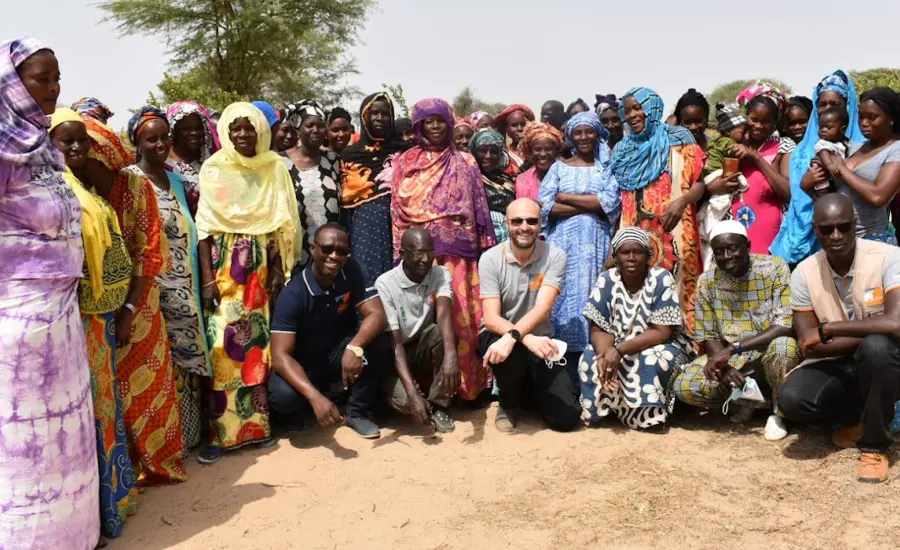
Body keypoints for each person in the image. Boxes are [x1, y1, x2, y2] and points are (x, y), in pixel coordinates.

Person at [0, 38, 99, 549]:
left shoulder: (41, 146)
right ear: (13, 83)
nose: (53, 88)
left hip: (60, 319)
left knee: (65, 444)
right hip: (17, 326)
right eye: (41, 78)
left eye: (57, 78)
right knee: (27, 451)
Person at [80, 112, 188, 485]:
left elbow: (148, 255)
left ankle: (160, 463)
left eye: (85, 152)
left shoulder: (135, 188)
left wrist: (128, 310)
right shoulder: (81, 193)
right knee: (109, 394)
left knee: (148, 388)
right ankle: (123, 473)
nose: (75, 157)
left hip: (138, 304)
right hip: (97, 307)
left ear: (101, 156)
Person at [50, 108, 140, 540]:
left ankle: (114, 505)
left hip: (100, 319)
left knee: (104, 411)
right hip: (76, 321)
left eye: (81, 140)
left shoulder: (81, 188)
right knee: (86, 416)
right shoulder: (54, 195)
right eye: (64, 141)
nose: (75, 148)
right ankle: (94, 517)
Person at [195, 102, 301, 464]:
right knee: (221, 350)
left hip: (257, 270)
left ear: (261, 132)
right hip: (225, 269)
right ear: (226, 130)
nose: (242, 135)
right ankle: (220, 435)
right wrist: (209, 280)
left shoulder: (273, 168)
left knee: (257, 349)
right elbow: (205, 229)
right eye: (236, 128)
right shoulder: (214, 169)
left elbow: (278, 222)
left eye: (249, 128)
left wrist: (274, 267)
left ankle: (257, 430)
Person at [781, 194, 900, 483]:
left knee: (878, 349)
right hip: (841, 361)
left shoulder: (888, 257)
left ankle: (874, 447)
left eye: (844, 227)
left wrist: (831, 329)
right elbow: (809, 342)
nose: (836, 236)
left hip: (889, 359)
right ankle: (859, 420)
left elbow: (896, 324)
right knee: (793, 399)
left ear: (855, 224)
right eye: (827, 229)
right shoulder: (804, 273)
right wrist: (873, 328)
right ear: (815, 229)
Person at [393, 98, 497, 403]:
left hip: (459, 258)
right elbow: (398, 210)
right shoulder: (405, 161)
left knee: (461, 321)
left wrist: (484, 250)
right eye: (429, 121)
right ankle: (427, 393)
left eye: (440, 120)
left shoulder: (466, 161)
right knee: (423, 325)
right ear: (419, 126)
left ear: (449, 123)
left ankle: (467, 390)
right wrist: (401, 254)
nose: (435, 126)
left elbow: (479, 207)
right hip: (419, 257)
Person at [128, 107, 212, 454]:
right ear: (138, 142)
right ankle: (162, 444)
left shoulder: (175, 177)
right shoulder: (130, 180)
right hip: (151, 289)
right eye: (152, 138)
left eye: (165, 137)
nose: (161, 143)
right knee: (158, 364)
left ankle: (191, 434)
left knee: (192, 360)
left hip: (186, 286)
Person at [672, 221, 799, 441]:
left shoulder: (775, 268)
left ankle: (779, 413)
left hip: (766, 352)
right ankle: (751, 400)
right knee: (683, 385)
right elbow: (708, 335)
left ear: (747, 246)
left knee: (783, 348)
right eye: (719, 251)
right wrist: (725, 367)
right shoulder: (708, 281)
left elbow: (785, 325)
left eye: (732, 248)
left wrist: (733, 349)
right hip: (734, 359)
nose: (726, 256)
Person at [269, 224, 392, 438]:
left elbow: (377, 315)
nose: (334, 256)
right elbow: (280, 356)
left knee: (378, 343)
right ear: (313, 249)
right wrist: (314, 397)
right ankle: (310, 404)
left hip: (336, 352)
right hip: (302, 362)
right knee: (283, 398)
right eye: (326, 249)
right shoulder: (293, 293)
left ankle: (357, 412)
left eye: (342, 251)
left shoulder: (352, 270)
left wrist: (354, 348)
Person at [479, 198, 581, 432]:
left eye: (531, 221)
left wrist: (522, 337)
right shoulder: (490, 259)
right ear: (507, 223)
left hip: (540, 340)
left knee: (567, 417)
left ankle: (530, 394)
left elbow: (542, 308)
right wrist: (521, 338)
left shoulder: (555, 256)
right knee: (508, 350)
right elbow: (491, 318)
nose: (524, 227)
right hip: (500, 337)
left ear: (540, 224)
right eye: (517, 221)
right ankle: (509, 403)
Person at [578, 228, 693, 431]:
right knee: (590, 359)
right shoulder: (607, 279)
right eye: (625, 253)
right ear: (615, 256)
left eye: (638, 252)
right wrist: (606, 354)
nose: (631, 258)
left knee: (651, 359)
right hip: (616, 343)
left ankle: (648, 417)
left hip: (659, 344)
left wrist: (620, 350)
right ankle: (606, 411)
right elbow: (597, 327)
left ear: (649, 256)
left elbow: (662, 332)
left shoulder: (660, 278)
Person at [612, 87, 704, 338]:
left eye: (637, 108)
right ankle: (643, 349)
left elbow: (699, 182)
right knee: (639, 289)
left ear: (651, 107)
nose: (631, 115)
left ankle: (689, 349)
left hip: (675, 229)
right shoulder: (622, 149)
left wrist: (682, 201)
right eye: (627, 110)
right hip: (634, 230)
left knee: (683, 287)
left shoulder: (679, 138)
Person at [540, 112, 620, 367]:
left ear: (598, 134)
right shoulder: (559, 167)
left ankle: (594, 361)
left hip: (597, 243)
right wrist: (589, 204)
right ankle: (562, 363)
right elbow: (545, 208)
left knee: (594, 295)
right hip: (562, 244)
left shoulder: (607, 168)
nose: (584, 137)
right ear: (571, 136)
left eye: (589, 131)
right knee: (561, 297)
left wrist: (567, 197)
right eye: (578, 132)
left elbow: (609, 203)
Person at [771, 69, 865, 265]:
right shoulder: (801, 150)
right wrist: (806, 184)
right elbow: (796, 197)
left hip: (854, 231)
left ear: (847, 106)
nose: (826, 109)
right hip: (810, 233)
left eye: (835, 104)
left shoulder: (862, 146)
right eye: (822, 104)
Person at [376, 228, 459, 433]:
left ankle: (440, 406)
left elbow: (444, 314)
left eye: (430, 253)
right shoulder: (386, 284)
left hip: (420, 345)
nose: (425, 259)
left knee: (444, 335)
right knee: (406, 402)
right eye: (418, 253)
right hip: (394, 354)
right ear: (403, 254)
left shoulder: (439, 273)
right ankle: (384, 397)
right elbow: (395, 344)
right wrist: (413, 394)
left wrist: (450, 355)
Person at [715, 83, 791, 255]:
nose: (758, 125)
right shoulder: (732, 143)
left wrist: (755, 157)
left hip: (769, 231)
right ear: (746, 116)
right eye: (754, 119)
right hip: (732, 230)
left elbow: (787, 192)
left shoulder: (783, 146)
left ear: (774, 123)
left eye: (766, 121)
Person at [819, 88, 900, 243]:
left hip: (873, 240)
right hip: (842, 241)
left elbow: (878, 197)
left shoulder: (895, 149)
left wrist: (841, 168)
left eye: (872, 117)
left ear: (891, 119)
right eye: (861, 117)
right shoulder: (854, 147)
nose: (864, 123)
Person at [341, 92, 405, 287]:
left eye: (385, 114)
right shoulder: (349, 155)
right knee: (367, 280)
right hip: (364, 229)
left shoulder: (404, 152)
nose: (379, 118)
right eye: (374, 113)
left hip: (401, 226)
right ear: (364, 117)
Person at [283, 100, 343, 268]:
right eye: (310, 125)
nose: (316, 130)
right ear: (298, 128)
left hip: (330, 254)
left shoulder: (334, 161)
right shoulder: (281, 163)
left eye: (321, 126)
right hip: (294, 252)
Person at [165, 100, 220, 217]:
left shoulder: (210, 164)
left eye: (198, 128)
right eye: (186, 129)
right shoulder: (165, 165)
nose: (194, 133)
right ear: (174, 131)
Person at [470, 129, 518, 242]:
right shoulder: (469, 179)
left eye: (494, 151)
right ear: (474, 152)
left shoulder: (507, 178)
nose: (488, 156)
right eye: (483, 151)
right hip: (482, 240)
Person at [515, 121, 564, 200]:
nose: (543, 154)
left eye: (548, 149)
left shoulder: (567, 176)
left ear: (557, 151)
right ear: (530, 152)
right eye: (537, 149)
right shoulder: (521, 180)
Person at [809, 107, 851, 196]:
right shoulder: (823, 142)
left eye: (829, 127)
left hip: (837, 179)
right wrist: (829, 164)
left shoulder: (845, 143)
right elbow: (823, 152)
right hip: (824, 181)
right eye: (821, 127)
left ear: (842, 129)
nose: (823, 130)